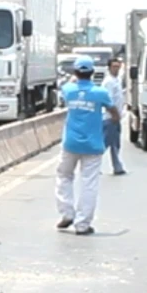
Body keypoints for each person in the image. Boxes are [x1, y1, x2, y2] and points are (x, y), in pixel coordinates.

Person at [56, 55, 122, 235]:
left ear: (76, 72)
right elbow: (114, 112)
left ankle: (67, 213)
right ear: (93, 72)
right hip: (93, 144)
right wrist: (114, 120)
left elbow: (69, 86)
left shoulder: (68, 89)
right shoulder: (100, 93)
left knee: (64, 176)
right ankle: (82, 224)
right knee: (89, 183)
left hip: (70, 143)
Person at [101, 58, 127, 175]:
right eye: (114, 66)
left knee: (115, 143)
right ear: (109, 68)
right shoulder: (108, 82)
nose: (116, 69)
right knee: (105, 143)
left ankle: (117, 166)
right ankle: (92, 164)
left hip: (116, 116)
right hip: (110, 117)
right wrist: (114, 115)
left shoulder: (117, 80)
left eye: (118, 66)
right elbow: (108, 101)